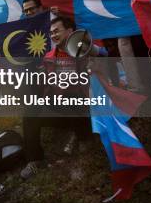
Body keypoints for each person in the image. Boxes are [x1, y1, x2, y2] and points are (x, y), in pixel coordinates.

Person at [20, 17, 96, 179]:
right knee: (30, 110)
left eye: (57, 31)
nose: (53, 35)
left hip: (86, 108)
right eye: (51, 32)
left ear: (70, 31)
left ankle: (84, 138)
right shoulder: (49, 56)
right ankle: (35, 160)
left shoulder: (84, 50)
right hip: (60, 106)